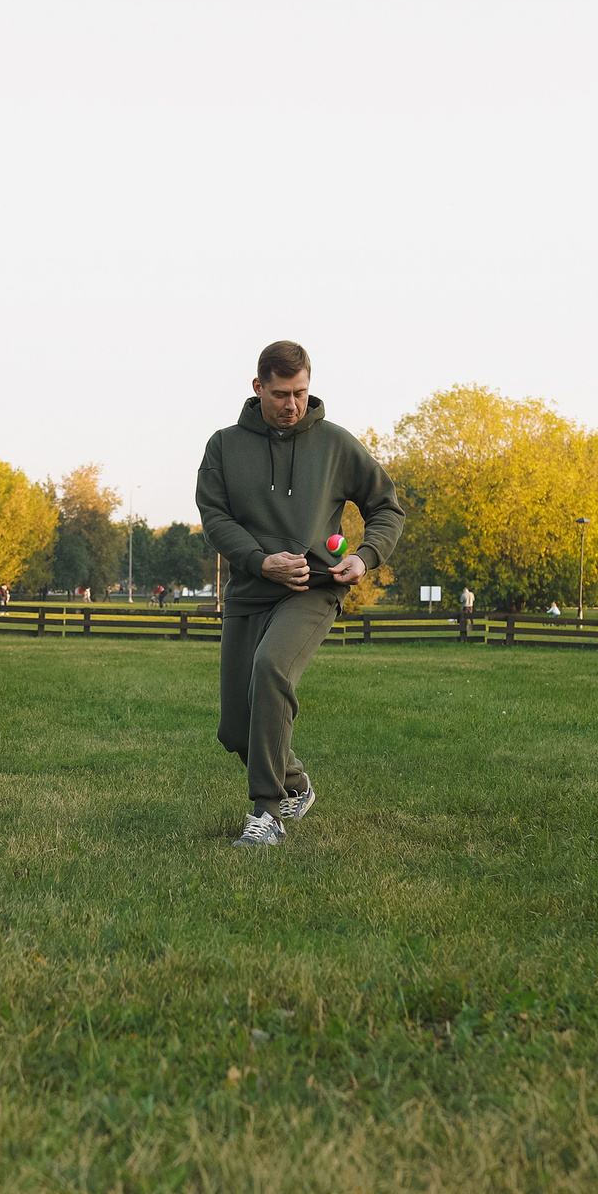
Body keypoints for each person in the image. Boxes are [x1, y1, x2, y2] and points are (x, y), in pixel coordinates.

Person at [197, 340, 405, 848]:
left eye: (301, 393)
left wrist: (364, 555)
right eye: (281, 393)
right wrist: (258, 559)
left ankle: (266, 815)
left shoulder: (334, 443)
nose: (292, 405)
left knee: (271, 669)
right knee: (234, 729)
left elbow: (387, 507)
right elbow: (214, 517)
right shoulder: (224, 446)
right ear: (257, 388)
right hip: (249, 590)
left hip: (311, 590)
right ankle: (295, 783)